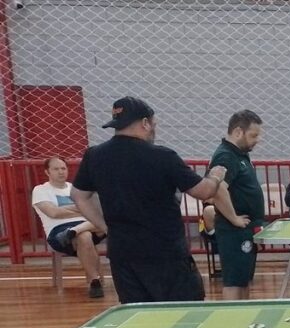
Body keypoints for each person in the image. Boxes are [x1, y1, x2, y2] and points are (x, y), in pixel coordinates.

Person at [70, 96, 248, 303]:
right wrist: (216, 175)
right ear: (145, 123)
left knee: (137, 313)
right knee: (183, 312)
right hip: (164, 252)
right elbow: (203, 192)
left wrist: (106, 227)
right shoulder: (162, 156)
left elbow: (79, 196)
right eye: (154, 124)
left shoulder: (94, 156)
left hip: (123, 253)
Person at [208, 110, 265, 301]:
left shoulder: (238, 154)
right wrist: (234, 218)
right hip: (233, 232)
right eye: (254, 135)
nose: (257, 140)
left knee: (242, 280)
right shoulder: (226, 156)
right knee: (234, 282)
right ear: (238, 132)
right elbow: (218, 188)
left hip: (245, 230)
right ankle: (233, 318)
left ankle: (244, 316)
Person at [32, 156, 106, 298]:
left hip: (90, 225)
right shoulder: (40, 190)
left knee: (107, 219)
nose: (61, 172)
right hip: (59, 231)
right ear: (47, 172)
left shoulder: (75, 189)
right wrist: (81, 208)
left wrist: (71, 209)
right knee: (85, 236)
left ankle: (74, 231)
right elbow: (53, 212)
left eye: (63, 168)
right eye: (56, 169)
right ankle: (94, 280)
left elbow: (96, 209)